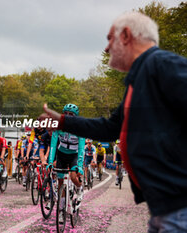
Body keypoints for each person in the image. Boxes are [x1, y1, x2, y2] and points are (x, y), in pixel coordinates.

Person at [39, 12, 187, 232]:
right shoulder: (137, 81)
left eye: (110, 39)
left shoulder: (162, 65)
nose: (107, 48)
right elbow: (110, 128)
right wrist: (62, 122)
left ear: (126, 35)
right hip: (163, 208)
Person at [48, 103, 85, 224]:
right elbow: (53, 144)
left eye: (71, 114)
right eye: (66, 114)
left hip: (74, 155)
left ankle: (79, 188)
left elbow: (81, 149)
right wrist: (49, 162)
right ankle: (61, 210)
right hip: (61, 154)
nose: (68, 116)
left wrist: (79, 165)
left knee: (73, 176)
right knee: (60, 182)